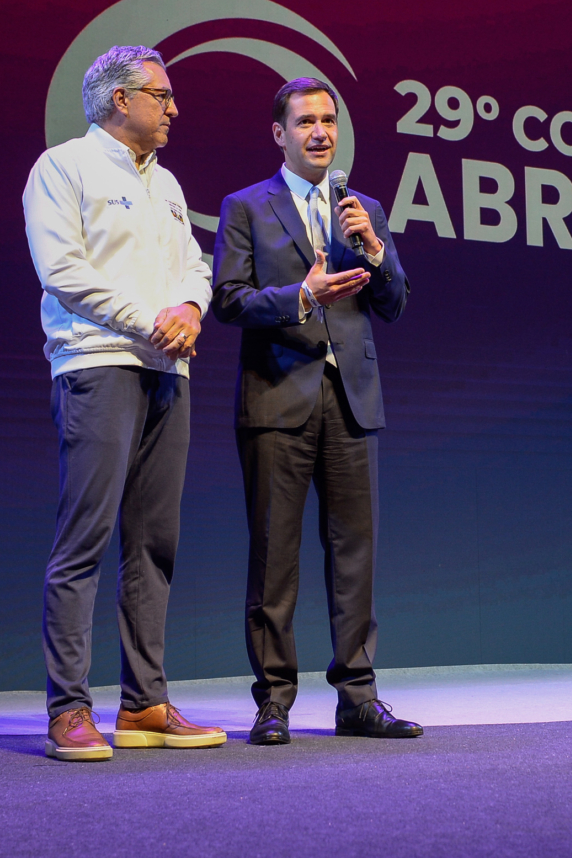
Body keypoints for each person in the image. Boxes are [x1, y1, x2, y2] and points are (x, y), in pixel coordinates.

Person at [22, 45, 226, 761]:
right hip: (98, 364)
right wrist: (151, 321)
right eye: (161, 95)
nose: (174, 108)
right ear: (120, 100)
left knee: (154, 544)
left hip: (170, 371)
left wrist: (193, 311)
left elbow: (196, 266)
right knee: (85, 540)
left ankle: (143, 702)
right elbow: (63, 271)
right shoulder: (62, 168)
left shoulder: (167, 183)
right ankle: (68, 709)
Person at [213, 77, 420, 744]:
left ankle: (358, 697)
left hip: (352, 400)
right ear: (280, 133)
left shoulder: (364, 208)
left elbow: (394, 304)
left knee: (353, 554)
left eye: (329, 120)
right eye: (306, 121)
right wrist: (300, 296)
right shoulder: (245, 207)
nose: (321, 132)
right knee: (275, 556)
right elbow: (229, 299)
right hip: (277, 396)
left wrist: (377, 249)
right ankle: (273, 701)